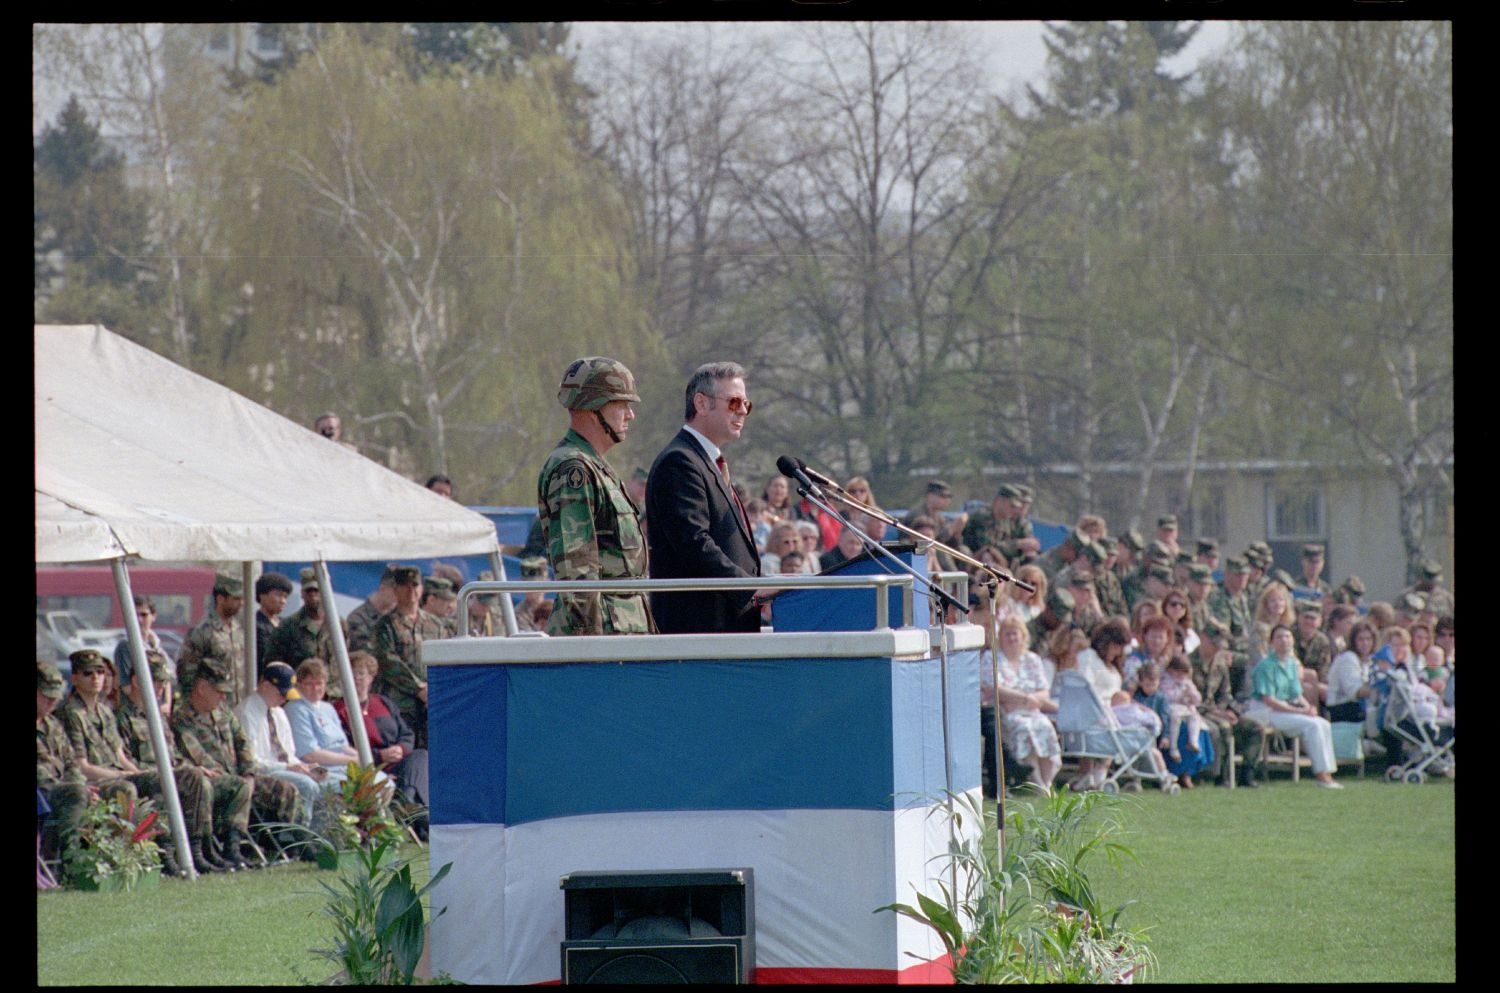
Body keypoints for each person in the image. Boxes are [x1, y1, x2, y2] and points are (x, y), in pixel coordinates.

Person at [646, 361, 767, 634]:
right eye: (734, 402)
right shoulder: (679, 462)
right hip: (698, 629)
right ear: (701, 404)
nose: (743, 412)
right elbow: (694, 543)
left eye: (747, 404)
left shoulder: (709, 462)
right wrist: (749, 589)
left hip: (725, 625)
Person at [538, 356, 653, 637]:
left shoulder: (594, 465)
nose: (630, 415)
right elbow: (577, 572)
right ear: (594, 408)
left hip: (622, 628)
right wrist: (591, 648)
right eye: (621, 404)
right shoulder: (573, 469)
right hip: (603, 635)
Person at [116, 650, 234, 874]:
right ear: (136, 680)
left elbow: (174, 755)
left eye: (163, 681)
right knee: (176, 779)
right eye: (157, 681)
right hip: (143, 776)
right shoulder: (122, 716)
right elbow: (125, 761)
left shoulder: (158, 717)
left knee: (197, 777)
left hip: (167, 773)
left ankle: (198, 849)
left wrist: (190, 767)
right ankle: (167, 852)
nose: (161, 687)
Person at [173, 657, 292, 869]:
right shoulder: (182, 717)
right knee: (238, 787)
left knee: (284, 789)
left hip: (238, 777)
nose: (223, 696)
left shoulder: (224, 712)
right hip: (213, 779)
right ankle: (232, 847)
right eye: (218, 690)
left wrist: (248, 773)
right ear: (201, 688)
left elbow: (242, 743)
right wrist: (238, 779)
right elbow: (194, 752)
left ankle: (281, 844)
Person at [334, 651, 428, 838]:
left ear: (370, 677)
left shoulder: (383, 703)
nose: (357, 679)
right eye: (351, 674)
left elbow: (406, 733)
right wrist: (379, 755)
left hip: (398, 762)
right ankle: (415, 813)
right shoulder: (338, 709)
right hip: (368, 766)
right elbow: (343, 745)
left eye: (361, 674)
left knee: (421, 756)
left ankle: (405, 802)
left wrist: (400, 748)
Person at [1245, 624, 1343, 788]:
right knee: (1311, 725)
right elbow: (1269, 700)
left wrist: (1308, 708)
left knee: (1322, 723)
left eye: (1288, 637)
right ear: (1271, 643)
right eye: (1279, 637)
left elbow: (1296, 694)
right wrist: (1300, 711)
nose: (1284, 641)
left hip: (1284, 710)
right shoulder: (1266, 666)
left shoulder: (1290, 664)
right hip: (1265, 712)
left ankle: (1328, 773)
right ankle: (1321, 776)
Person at [235, 662, 325, 828]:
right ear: (265, 685)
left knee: (326, 782)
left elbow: (288, 753)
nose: (284, 699)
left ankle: (321, 835)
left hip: (282, 768)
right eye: (280, 694)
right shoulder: (247, 713)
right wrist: (288, 768)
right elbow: (251, 761)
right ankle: (299, 836)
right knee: (306, 785)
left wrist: (303, 766)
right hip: (260, 774)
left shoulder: (279, 713)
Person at [371, 566, 442, 749]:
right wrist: (418, 688)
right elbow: (388, 661)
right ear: (396, 589)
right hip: (400, 705)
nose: (411, 590)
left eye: (415, 585)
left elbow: (444, 659)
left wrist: (434, 690)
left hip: (430, 704)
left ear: (422, 589)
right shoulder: (385, 625)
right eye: (405, 585)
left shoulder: (435, 625)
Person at [989, 615, 1062, 792]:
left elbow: (1044, 690)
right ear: (1000, 637)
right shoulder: (993, 659)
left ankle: (1047, 783)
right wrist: (1024, 699)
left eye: (1015, 634)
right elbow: (994, 687)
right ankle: (1037, 782)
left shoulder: (1032, 660)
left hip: (1033, 710)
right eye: (1007, 634)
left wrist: (1033, 700)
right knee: (1024, 728)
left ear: (1023, 636)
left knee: (1045, 726)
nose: (1012, 638)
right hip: (1007, 712)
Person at [37, 661, 94, 868]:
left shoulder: (53, 725)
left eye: (55, 696)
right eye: (46, 695)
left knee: (119, 789)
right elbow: (40, 774)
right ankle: (72, 860)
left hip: (63, 788)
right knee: (77, 793)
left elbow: (71, 763)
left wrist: (81, 784)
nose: (52, 701)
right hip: (43, 793)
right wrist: (76, 788)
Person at [264, 567, 348, 688]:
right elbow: (274, 664)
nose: (313, 596)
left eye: (317, 591)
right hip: (303, 693)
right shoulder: (289, 627)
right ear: (302, 594)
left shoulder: (339, 625)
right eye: (309, 592)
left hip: (334, 695)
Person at [285, 659, 361, 784]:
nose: (315, 688)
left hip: (342, 765)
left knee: (383, 781)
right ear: (298, 685)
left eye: (319, 683)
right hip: (316, 768)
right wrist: (350, 761)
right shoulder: (295, 709)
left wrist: (361, 757)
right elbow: (309, 754)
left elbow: (342, 745)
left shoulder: (328, 708)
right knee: (357, 788)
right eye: (309, 684)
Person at [176, 574, 247, 703]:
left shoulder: (239, 629)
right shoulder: (203, 632)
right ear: (220, 599)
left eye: (242, 599)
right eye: (236, 599)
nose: (241, 603)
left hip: (239, 706)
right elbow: (187, 674)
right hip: (214, 708)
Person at [963, 484, 1041, 564]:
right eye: (1012, 506)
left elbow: (1007, 546)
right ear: (999, 501)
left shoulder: (1005, 521)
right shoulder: (983, 517)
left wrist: (1026, 546)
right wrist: (1018, 544)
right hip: (976, 559)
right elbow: (987, 547)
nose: (1015, 510)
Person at [113, 595, 171, 692]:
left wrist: (166, 704)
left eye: (144, 615)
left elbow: (167, 678)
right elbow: (126, 686)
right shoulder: (126, 646)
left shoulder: (157, 646)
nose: (139, 620)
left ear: (153, 616)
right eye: (135, 615)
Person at [1326, 620, 1378, 723]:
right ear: (1353, 641)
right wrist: (1381, 691)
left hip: (1360, 706)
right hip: (1342, 708)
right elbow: (1354, 692)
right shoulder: (1348, 658)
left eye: (1368, 639)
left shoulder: (1372, 660)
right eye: (1361, 639)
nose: (1365, 643)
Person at [346, 565, 400, 653]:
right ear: (382, 588)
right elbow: (364, 651)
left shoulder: (396, 617)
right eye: (395, 590)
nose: (399, 595)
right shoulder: (358, 618)